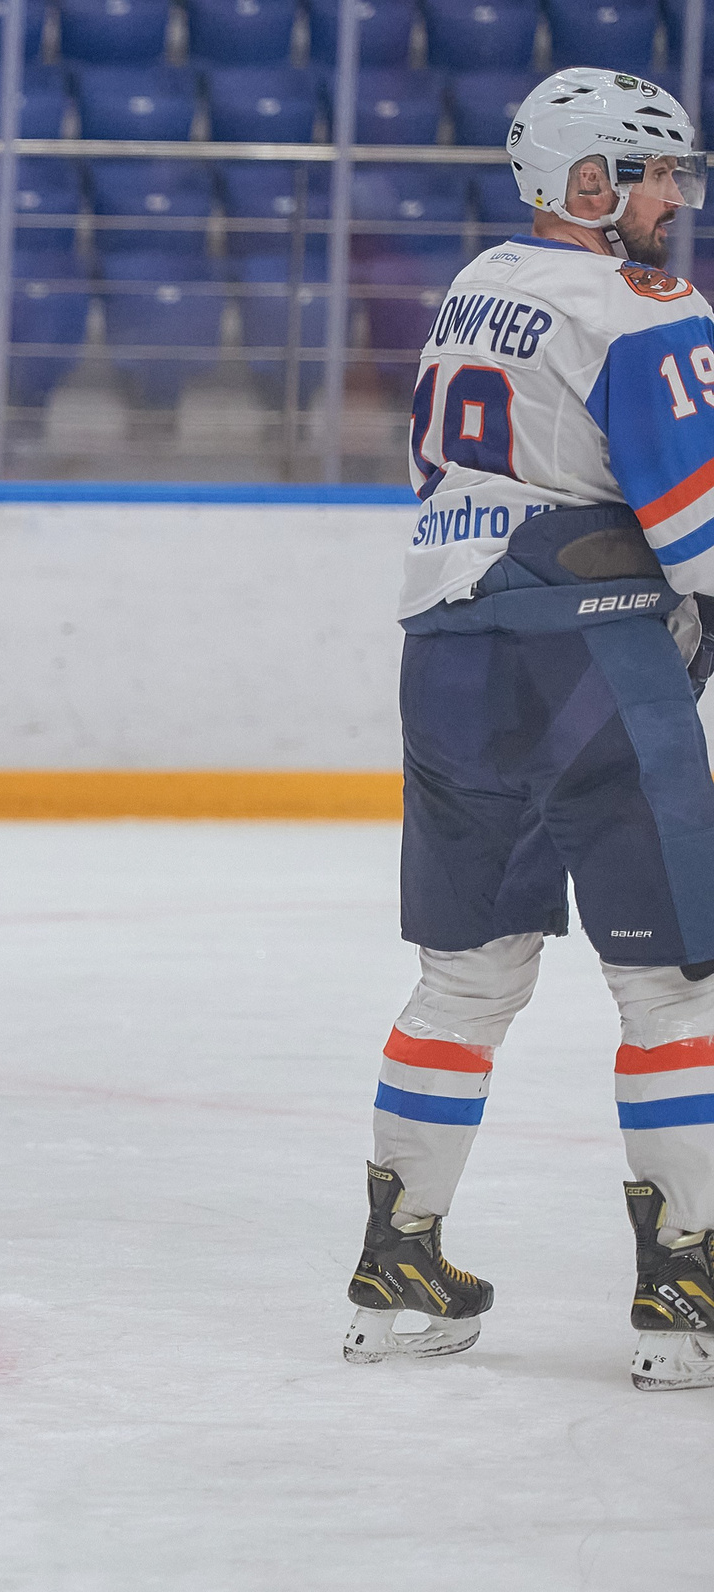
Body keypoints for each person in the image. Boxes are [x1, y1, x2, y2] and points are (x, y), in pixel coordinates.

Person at [348, 69, 714, 1390]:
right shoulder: (645, 308)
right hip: (596, 651)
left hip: (449, 656)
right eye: (656, 170)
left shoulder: (480, 283)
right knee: (672, 986)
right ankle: (690, 1288)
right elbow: (700, 531)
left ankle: (399, 1271)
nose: (677, 195)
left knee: (468, 978)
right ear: (588, 180)